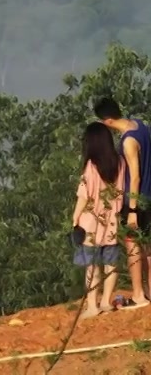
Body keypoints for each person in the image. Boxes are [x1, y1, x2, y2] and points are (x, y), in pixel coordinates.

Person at [95, 96, 151, 308]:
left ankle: (138, 294)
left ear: (107, 121)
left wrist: (133, 210)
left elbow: (134, 176)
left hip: (136, 199)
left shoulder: (128, 141)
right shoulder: (140, 125)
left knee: (133, 246)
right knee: (148, 247)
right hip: (149, 195)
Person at [74, 122, 126, 317]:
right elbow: (121, 191)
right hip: (112, 221)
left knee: (92, 266)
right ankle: (106, 302)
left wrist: (75, 218)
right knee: (111, 263)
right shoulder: (119, 162)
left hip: (91, 223)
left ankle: (92, 306)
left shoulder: (91, 165)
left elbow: (84, 195)